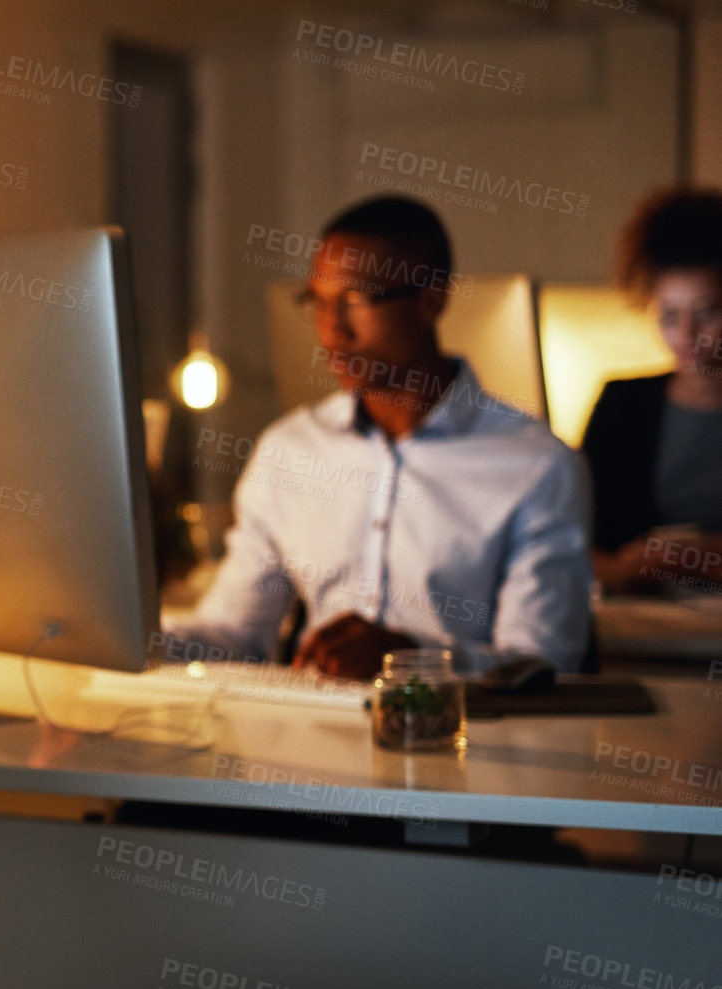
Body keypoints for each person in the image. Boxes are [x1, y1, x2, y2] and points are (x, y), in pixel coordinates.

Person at [162, 196, 591, 680]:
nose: (331, 330)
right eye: (318, 302)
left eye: (356, 300)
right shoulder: (289, 450)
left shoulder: (535, 464)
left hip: (462, 744)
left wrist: (410, 657)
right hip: (312, 737)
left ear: (431, 301)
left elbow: (544, 663)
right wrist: (129, 635)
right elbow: (235, 635)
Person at [582, 188, 722, 595]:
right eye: (669, 315)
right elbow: (573, 538)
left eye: (708, 312)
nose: (686, 334)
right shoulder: (622, 404)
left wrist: (685, 560)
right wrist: (624, 569)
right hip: (639, 637)